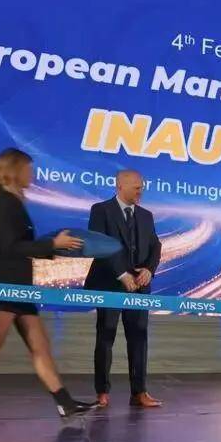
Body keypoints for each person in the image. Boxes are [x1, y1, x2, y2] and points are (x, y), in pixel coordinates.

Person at [0, 148, 94, 434]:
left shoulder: (12, 202)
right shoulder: (3, 203)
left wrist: (52, 248)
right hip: (5, 286)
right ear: (14, 170)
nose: (32, 175)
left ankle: (65, 403)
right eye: (28, 169)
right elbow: (10, 248)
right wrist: (52, 245)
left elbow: (19, 245)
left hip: (19, 288)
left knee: (40, 345)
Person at [84, 169, 163, 408]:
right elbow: (98, 244)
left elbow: (155, 246)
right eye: (137, 187)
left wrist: (149, 269)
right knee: (105, 336)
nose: (141, 191)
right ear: (120, 186)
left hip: (140, 286)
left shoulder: (146, 215)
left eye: (142, 187)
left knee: (139, 337)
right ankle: (102, 392)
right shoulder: (101, 210)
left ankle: (139, 392)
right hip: (110, 283)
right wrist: (121, 274)